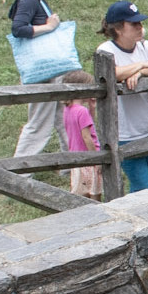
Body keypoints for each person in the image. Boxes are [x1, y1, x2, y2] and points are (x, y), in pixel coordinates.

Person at [95, 0, 148, 193]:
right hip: (125, 134)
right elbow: (113, 73)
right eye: (134, 24)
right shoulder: (105, 50)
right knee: (143, 187)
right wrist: (142, 65)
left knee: (143, 182)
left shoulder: (145, 46)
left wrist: (141, 73)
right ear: (119, 29)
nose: (140, 27)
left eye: (140, 22)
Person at [9, 0, 67, 157]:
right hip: (42, 69)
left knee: (62, 116)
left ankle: (73, 163)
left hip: (48, 67)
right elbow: (18, 28)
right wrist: (48, 26)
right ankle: (20, 171)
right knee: (39, 123)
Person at [58, 70, 104, 200]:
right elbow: (87, 137)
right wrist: (96, 158)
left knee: (80, 194)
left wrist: (92, 108)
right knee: (94, 194)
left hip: (76, 158)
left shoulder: (68, 110)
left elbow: (85, 124)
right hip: (89, 159)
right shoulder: (82, 111)